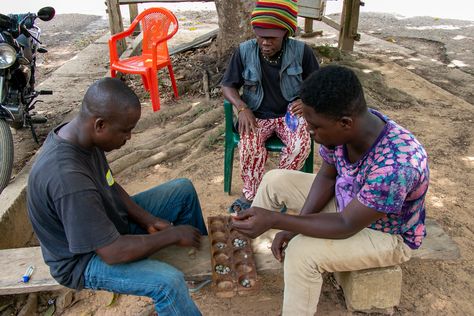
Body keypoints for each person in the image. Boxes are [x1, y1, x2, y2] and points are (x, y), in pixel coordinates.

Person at [231, 65, 429, 315]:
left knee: (301, 253)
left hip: (385, 232)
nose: (310, 133)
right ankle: (247, 243)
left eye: (314, 127)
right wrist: (293, 225)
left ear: (345, 123)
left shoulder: (398, 165)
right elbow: (326, 176)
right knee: (274, 180)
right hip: (351, 200)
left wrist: (281, 222)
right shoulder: (348, 127)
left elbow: (346, 224)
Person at [27, 78, 207, 316]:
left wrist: (147, 219)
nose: (129, 137)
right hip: (82, 260)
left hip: (105, 223)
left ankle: (199, 266)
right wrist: (172, 235)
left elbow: (110, 184)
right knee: (168, 283)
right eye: (126, 130)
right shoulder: (68, 179)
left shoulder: (81, 135)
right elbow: (113, 252)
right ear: (100, 125)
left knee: (181, 190)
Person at [221, 0, 319, 212]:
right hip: (256, 115)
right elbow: (227, 85)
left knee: (299, 146)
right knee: (249, 146)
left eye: (271, 38)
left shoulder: (302, 52)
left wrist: (306, 100)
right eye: (260, 36)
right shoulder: (244, 51)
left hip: (290, 116)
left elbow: (318, 84)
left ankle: (276, 193)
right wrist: (241, 107)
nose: (265, 42)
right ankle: (253, 197)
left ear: (285, 33)